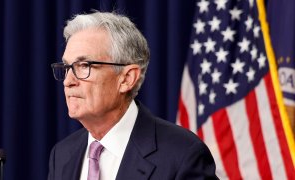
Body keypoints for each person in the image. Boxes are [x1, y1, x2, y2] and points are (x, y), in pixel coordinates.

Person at [48, 11, 218, 180]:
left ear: (127, 79)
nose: (68, 81)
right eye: (67, 67)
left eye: (84, 65)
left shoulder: (183, 154)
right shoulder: (62, 155)